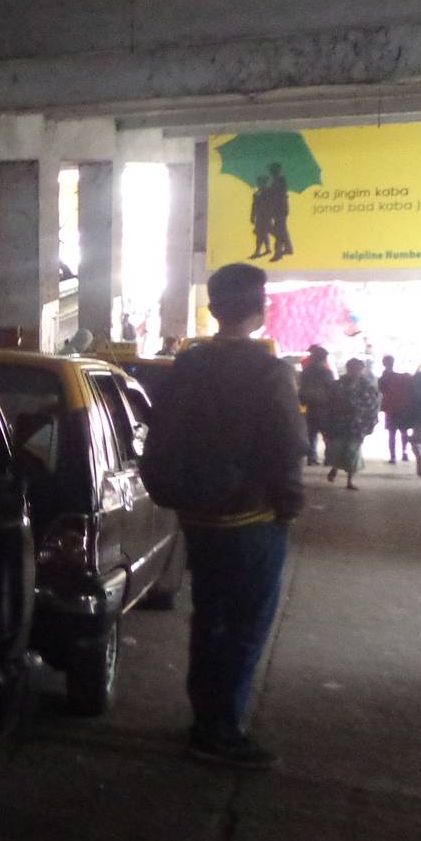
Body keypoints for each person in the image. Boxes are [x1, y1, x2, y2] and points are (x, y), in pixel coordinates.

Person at [142, 263, 306, 770]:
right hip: (252, 520)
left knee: (210, 618)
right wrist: (289, 506)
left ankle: (204, 720)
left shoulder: (189, 365)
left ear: (214, 309)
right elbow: (287, 447)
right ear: (260, 310)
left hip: (198, 518)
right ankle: (222, 730)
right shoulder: (270, 372)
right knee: (245, 627)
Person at [323, 359, 379, 489]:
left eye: (357, 369)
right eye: (352, 369)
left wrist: (367, 421)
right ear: (348, 369)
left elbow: (373, 405)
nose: (355, 372)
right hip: (339, 424)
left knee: (352, 452)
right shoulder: (337, 385)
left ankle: (349, 480)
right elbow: (329, 404)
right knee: (337, 449)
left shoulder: (368, 387)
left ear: (362, 370)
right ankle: (335, 468)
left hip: (358, 425)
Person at [296, 345, 334, 466]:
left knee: (311, 434)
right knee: (327, 434)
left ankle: (311, 457)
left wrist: (301, 402)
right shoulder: (326, 372)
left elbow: (302, 388)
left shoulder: (306, 372)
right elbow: (332, 389)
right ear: (323, 358)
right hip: (325, 407)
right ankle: (329, 458)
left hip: (310, 406)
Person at [378, 354, 413, 464]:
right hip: (402, 408)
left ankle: (393, 456)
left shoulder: (383, 378)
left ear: (383, 363)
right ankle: (404, 453)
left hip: (390, 409)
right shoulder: (403, 377)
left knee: (392, 433)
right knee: (404, 432)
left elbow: (381, 391)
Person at [264, 163, 294, 262]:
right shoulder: (275, 180)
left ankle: (278, 253)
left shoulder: (280, 180)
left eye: (272, 170)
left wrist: (269, 191)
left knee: (278, 230)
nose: (270, 172)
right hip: (278, 209)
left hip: (280, 210)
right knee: (282, 230)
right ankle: (288, 248)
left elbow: (278, 193)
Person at [248, 177, 273, 260]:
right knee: (262, 234)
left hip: (266, 217)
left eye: (261, 183)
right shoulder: (256, 194)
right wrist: (252, 216)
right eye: (259, 183)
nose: (259, 184)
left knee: (261, 234)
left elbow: (270, 206)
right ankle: (267, 249)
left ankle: (257, 251)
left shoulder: (269, 193)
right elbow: (254, 206)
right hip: (259, 217)